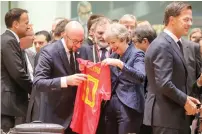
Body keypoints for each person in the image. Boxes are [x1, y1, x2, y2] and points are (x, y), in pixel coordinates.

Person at [143, 2, 201, 134]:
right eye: (186, 19)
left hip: (174, 117)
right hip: (166, 118)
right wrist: (185, 100)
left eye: (191, 20)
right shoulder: (163, 44)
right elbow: (164, 83)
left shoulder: (173, 43)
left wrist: (189, 99)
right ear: (172, 20)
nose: (190, 23)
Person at [33, 21, 87, 134]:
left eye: (81, 41)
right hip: (55, 116)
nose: (78, 45)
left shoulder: (83, 50)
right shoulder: (49, 52)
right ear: (64, 35)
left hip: (78, 118)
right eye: (75, 41)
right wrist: (66, 81)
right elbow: (38, 82)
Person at [102, 23, 145, 134]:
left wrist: (120, 64)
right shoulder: (112, 56)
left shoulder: (137, 54)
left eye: (113, 42)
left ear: (123, 39)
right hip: (110, 106)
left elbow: (140, 77)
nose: (111, 46)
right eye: (109, 43)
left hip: (129, 106)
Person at [1, 8, 32, 133]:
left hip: (8, 104)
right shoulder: (9, 41)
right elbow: (18, 73)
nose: (28, 26)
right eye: (26, 23)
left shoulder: (7, 39)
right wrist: (34, 89)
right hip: (8, 104)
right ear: (15, 24)